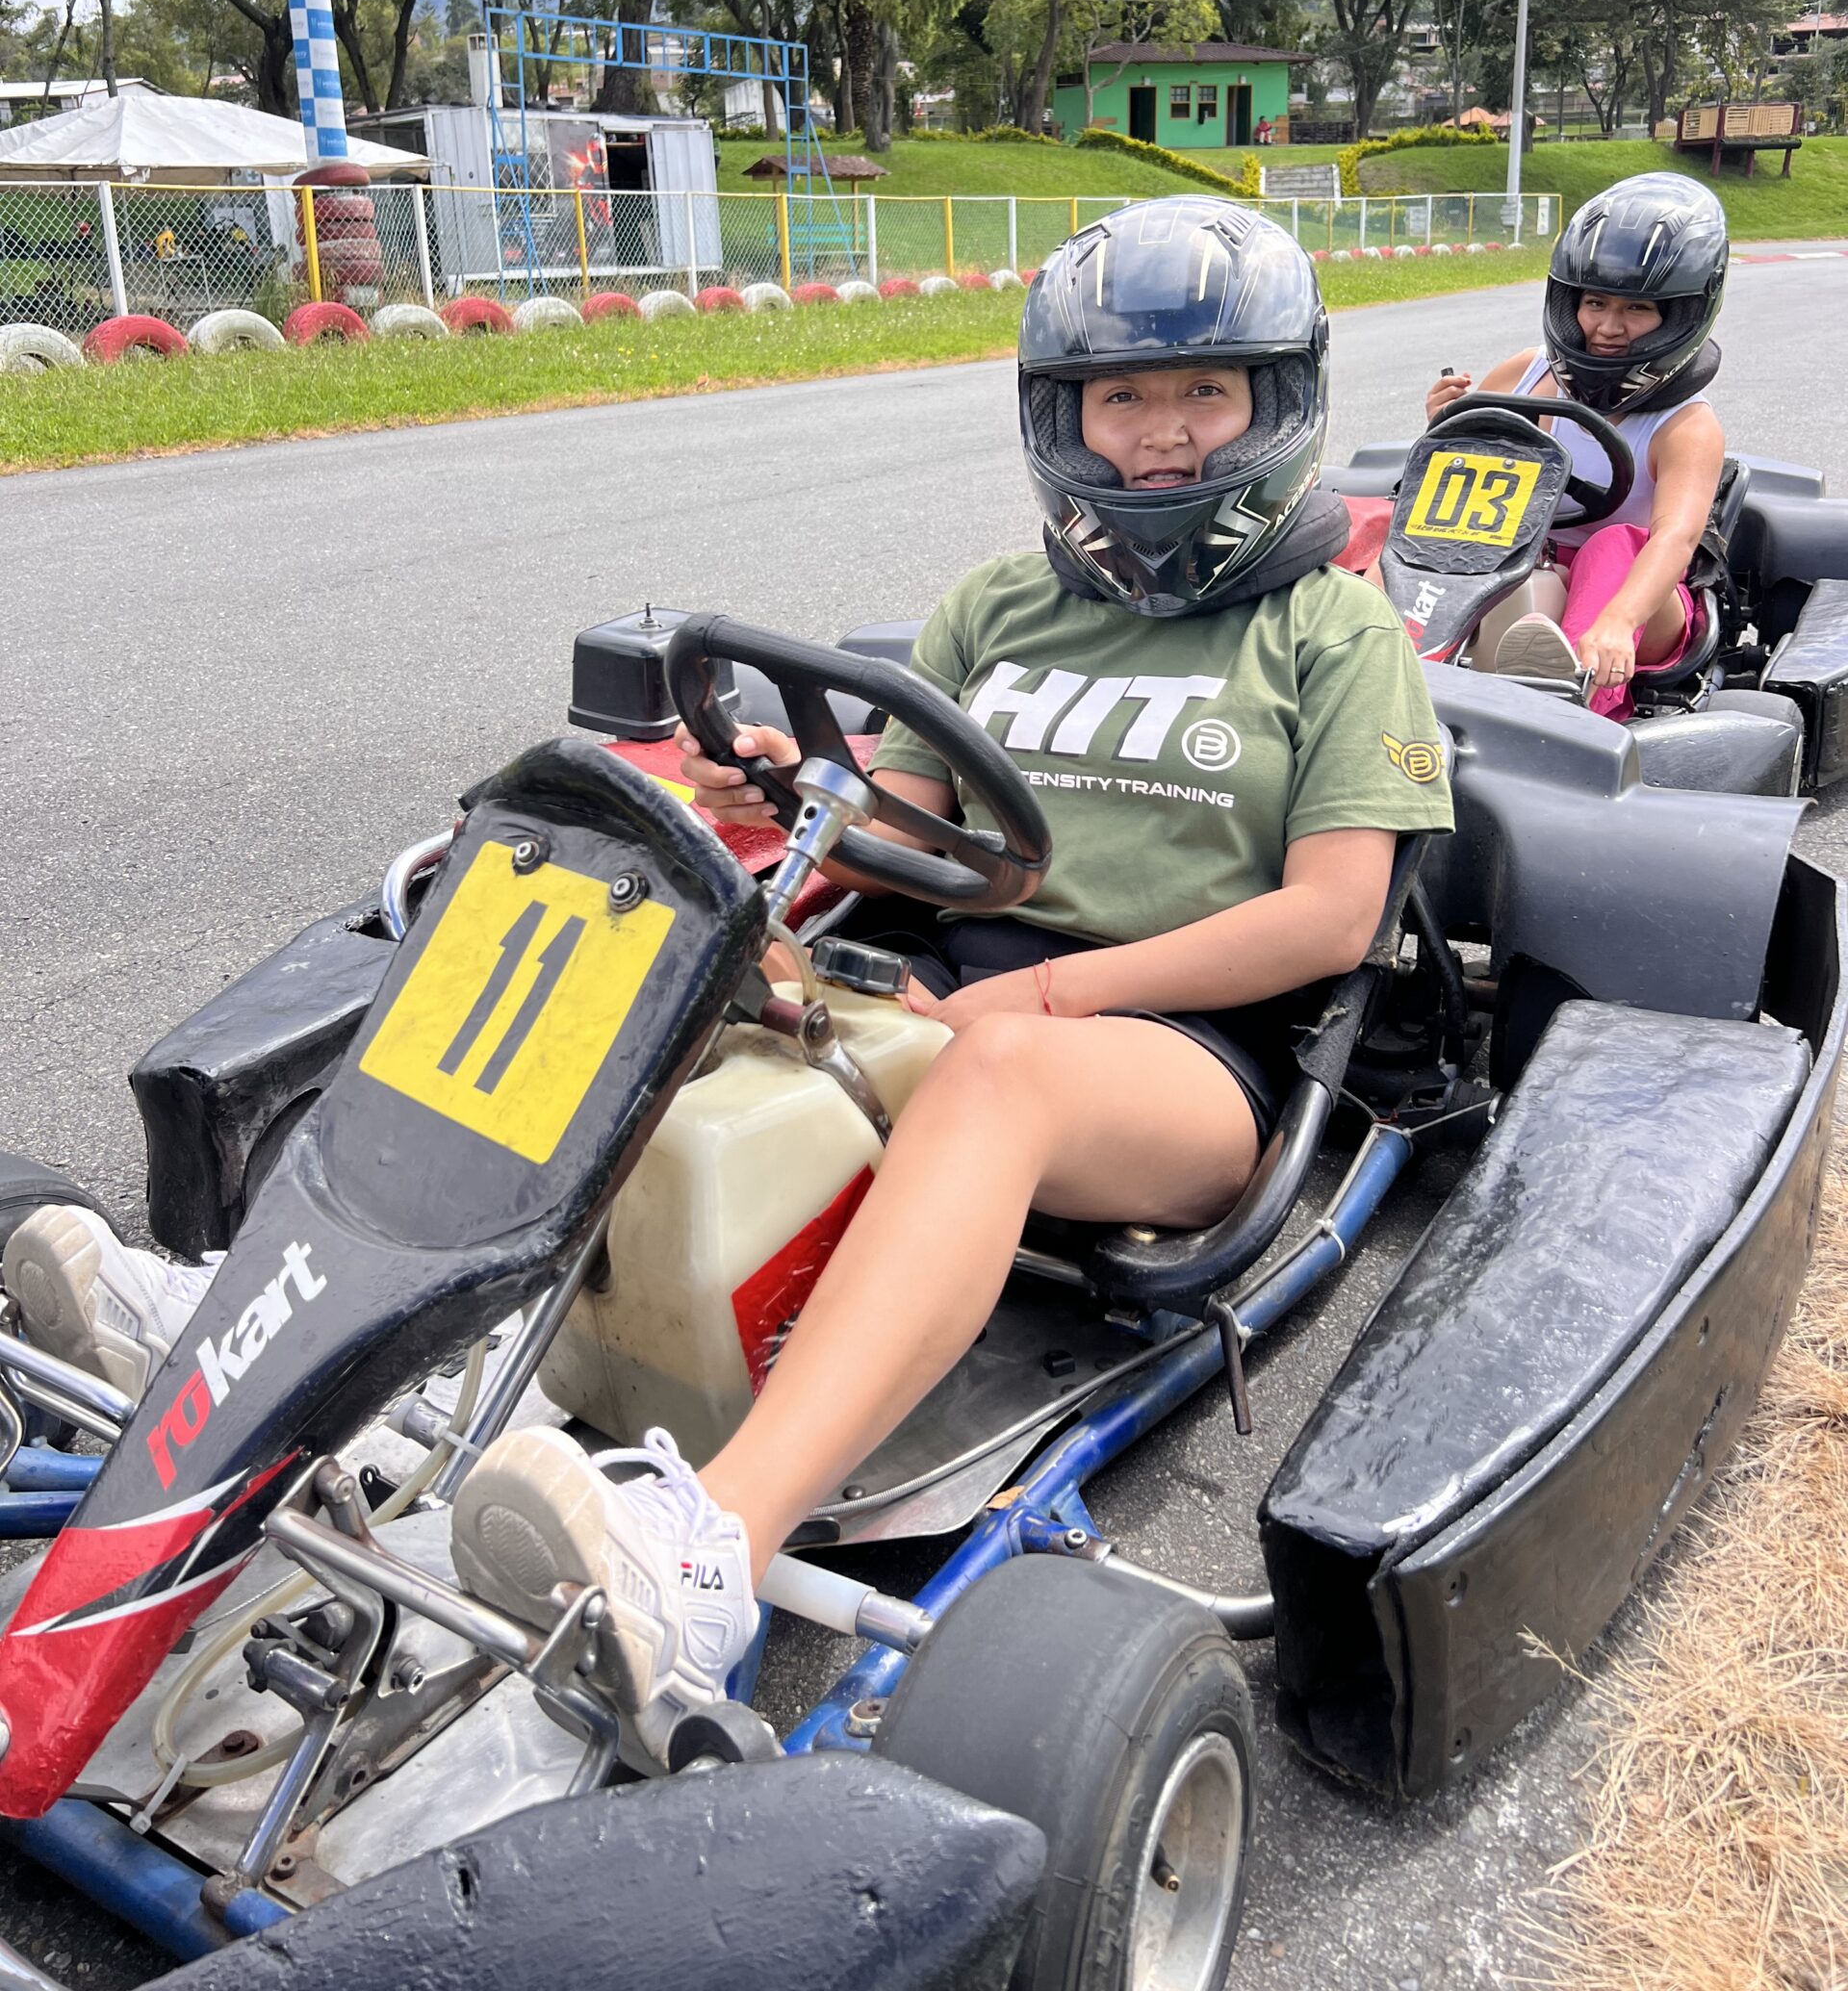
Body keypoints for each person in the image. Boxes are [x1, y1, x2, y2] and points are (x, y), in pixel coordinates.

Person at [3, 200, 1453, 1752]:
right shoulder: (997, 608)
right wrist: (794, 801)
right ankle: (270, 1337)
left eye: (1201, 395)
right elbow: (913, 838)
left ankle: (712, 1551)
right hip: (935, 992)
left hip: (1173, 1050)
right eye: (1124, 398)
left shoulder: (1333, 630)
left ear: (1273, 406)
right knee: (616, 953)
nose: (1161, 436)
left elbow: (1329, 918)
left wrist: (1054, 996)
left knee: (997, 1071)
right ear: (1064, 416)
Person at [1424, 173, 1727, 715]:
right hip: (1529, 572)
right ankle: (1387, 652)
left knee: (1610, 547)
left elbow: (1675, 541)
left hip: (1639, 610)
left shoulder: (1686, 426)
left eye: (1637, 309)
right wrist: (1443, 425)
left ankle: (1581, 704)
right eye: (1594, 303)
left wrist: (1621, 619)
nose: (1607, 327)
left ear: (1680, 314)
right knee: (1384, 515)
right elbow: (1455, 481)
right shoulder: (1526, 373)